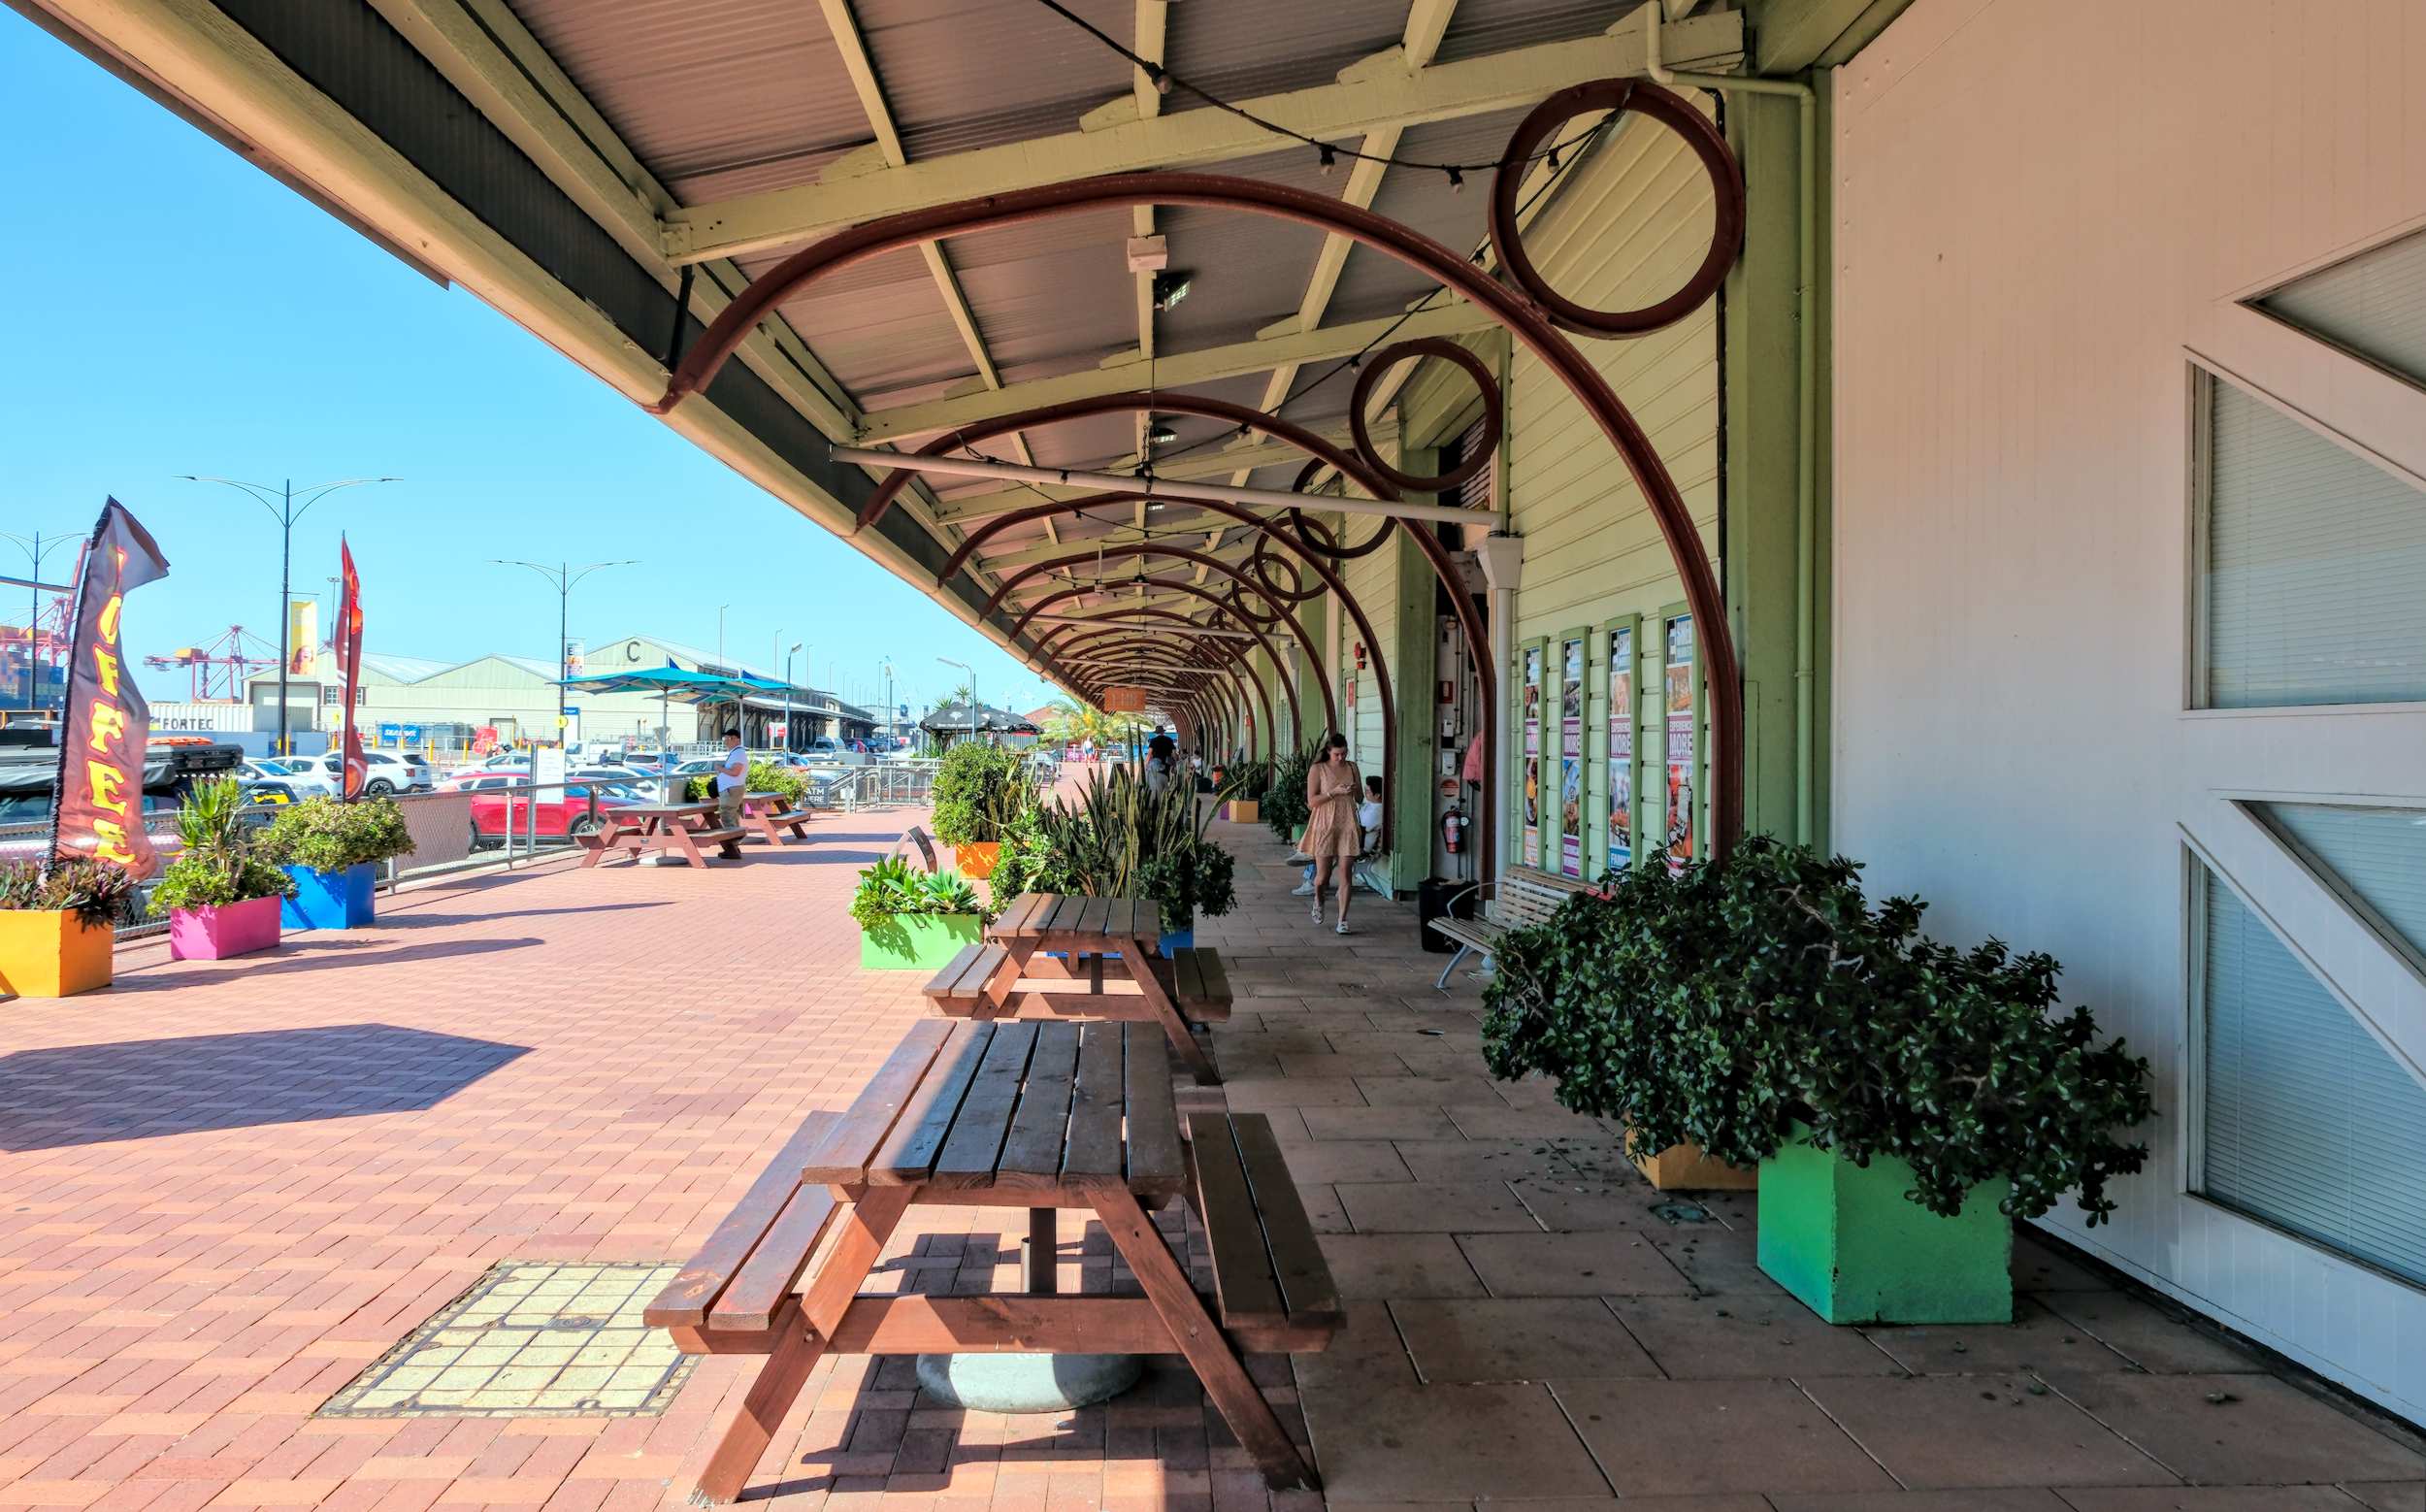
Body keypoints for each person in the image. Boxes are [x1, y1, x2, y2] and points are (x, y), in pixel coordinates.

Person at [1302, 733, 1363, 934]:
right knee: (1323, 877)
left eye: (1344, 753)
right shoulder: (1318, 769)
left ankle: (1342, 920)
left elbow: (1360, 798)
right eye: (1337, 754)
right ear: (1328, 751)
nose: (1341, 757)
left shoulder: (1352, 767)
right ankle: (1318, 899)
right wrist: (1334, 792)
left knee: (1346, 873)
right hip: (1325, 823)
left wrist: (1353, 790)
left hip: (1347, 822)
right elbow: (1312, 802)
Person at [1295, 773, 1383, 896]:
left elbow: (1357, 827)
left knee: (1320, 848)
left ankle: (1311, 882)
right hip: (1353, 841)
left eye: (1367, 791)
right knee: (1321, 844)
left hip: (1359, 846)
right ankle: (1314, 876)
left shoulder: (1377, 811)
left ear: (1377, 795)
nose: (1365, 793)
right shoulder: (1370, 806)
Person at [713, 728, 748, 837]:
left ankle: (733, 840)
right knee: (732, 815)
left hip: (732, 789)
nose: (725, 742)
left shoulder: (738, 753)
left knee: (727, 815)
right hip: (732, 788)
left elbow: (735, 772)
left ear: (734, 739)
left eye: (727, 738)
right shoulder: (736, 753)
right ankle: (736, 839)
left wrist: (720, 768)